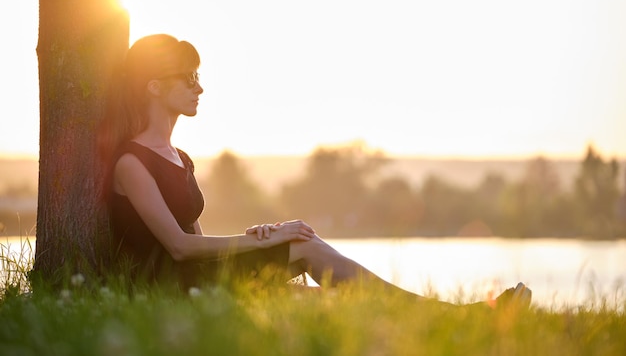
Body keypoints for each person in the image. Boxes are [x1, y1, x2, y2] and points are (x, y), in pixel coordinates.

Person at [100, 33, 531, 308]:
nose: (199, 87)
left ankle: (455, 320)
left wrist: (255, 239)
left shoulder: (179, 156)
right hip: (166, 290)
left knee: (313, 287)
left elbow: (197, 239)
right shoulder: (132, 163)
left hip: (196, 277)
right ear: (154, 87)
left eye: (198, 77)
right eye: (186, 78)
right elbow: (177, 248)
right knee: (306, 248)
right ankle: (461, 316)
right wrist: (272, 241)